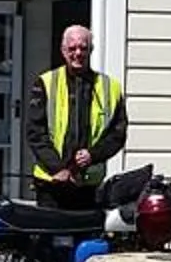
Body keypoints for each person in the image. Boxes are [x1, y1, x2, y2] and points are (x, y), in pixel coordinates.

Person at [21, 24, 126, 210]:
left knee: (86, 238)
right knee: (49, 238)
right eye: (72, 48)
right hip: (51, 183)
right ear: (63, 51)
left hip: (88, 185)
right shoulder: (46, 83)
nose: (77, 53)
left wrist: (93, 155)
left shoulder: (111, 88)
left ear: (91, 50)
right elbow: (35, 132)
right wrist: (58, 168)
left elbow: (117, 135)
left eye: (83, 48)